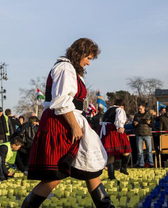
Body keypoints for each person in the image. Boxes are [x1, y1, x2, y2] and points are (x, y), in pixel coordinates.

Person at [23, 38, 113, 208]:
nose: (89, 63)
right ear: (81, 53)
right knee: (54, 175)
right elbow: (62, 100)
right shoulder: (65, 68)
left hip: (66, 120)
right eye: (88, 58)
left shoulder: (71, 69)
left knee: (90, 169)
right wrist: (74, 125)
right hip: (60, 122)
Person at [101, 99, 132, 178]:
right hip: (113, 130)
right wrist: (120, 127)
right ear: (122, 106)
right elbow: (119, 119)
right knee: (126, 148)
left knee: (110, 153)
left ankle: (111, 176)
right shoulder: (119, 109)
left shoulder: (109, 110)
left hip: (105, 130)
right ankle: (123, 167)